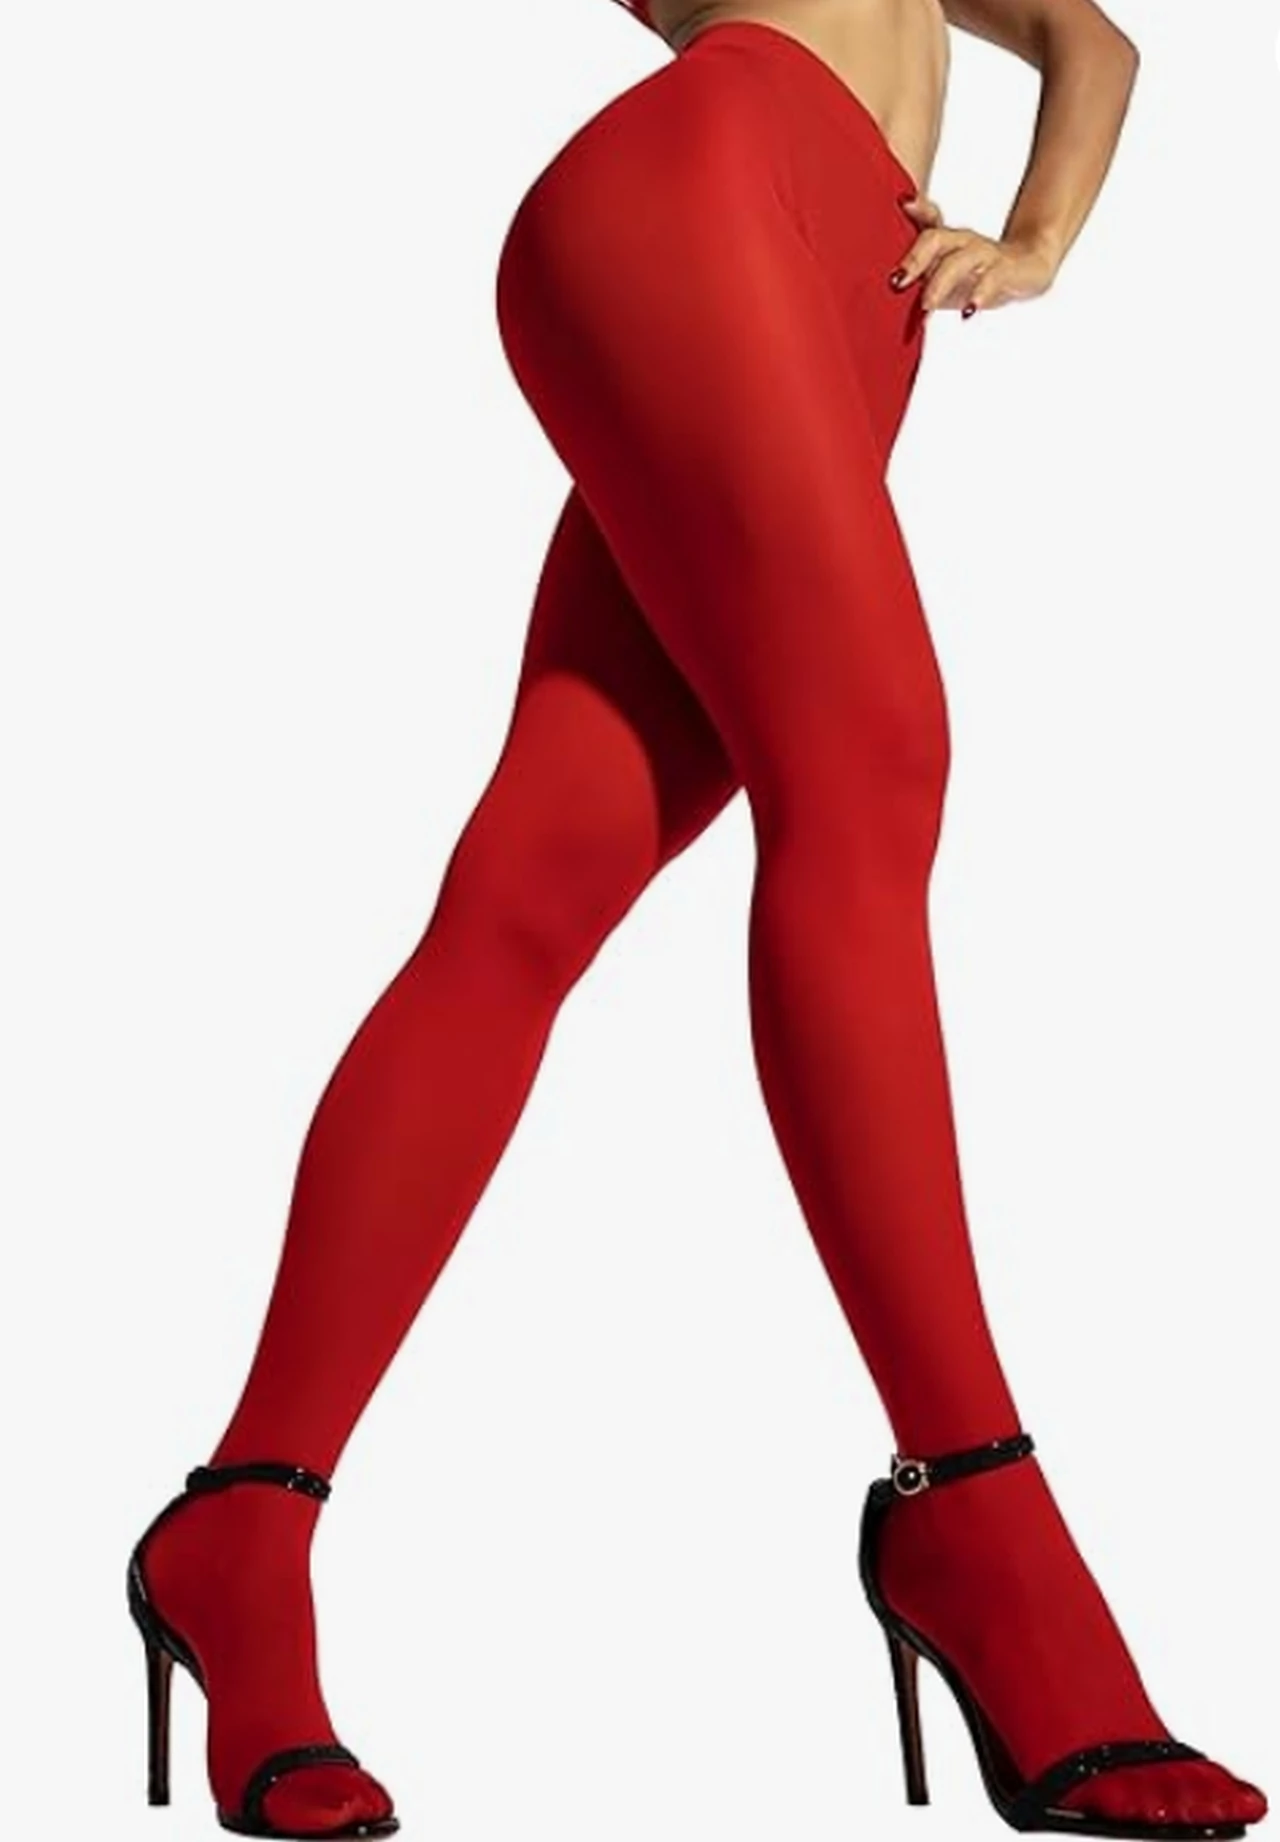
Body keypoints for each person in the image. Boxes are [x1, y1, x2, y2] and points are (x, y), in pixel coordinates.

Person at [125, 1, 1270, 1837]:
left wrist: (1037, 238)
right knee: (870, 763)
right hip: (706, 190)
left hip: (842, 294)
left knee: (530, 891)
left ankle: (238, 1532)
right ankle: (977, 1508)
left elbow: (1093, 44)